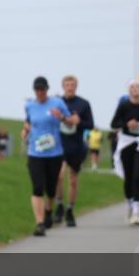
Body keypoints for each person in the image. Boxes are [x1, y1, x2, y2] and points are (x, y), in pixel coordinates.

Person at [22, 76, 76, 236]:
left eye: (42, 89)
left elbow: (71, 121)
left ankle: (48, 210)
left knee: (51, 189)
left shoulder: (57, 103)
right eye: (37, 90)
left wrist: (62, 117)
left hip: (54, 154)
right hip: (35, 153)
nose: (40, 92)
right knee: (37, 188)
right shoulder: (29, 106)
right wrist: (25, 130)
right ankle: (39, 223)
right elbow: (28, 122)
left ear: (47, 89)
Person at [110, 79, 139, 226]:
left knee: (137, 175)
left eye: (137, 86)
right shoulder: (124, 105)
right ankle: (129, 204)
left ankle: (137, 210)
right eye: (132, 87)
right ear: (128, 90)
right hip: (126, 142)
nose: (135, 89)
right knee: (129, 176)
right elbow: (114, 124)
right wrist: (126, 124)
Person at [53, 75, 95, 227]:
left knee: (73, 180)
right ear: (63, 86)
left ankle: (70, 210)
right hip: (60, 144)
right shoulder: (57, 102)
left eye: (72, 85)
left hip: (76, 146)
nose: (70, 88)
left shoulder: (83, 104)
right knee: (59, 176)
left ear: (76, 86)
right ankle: (59, 205)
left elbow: (90, 125)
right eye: (67, 85)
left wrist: (79, 122)